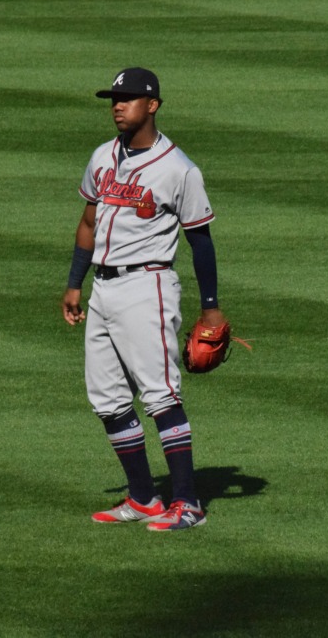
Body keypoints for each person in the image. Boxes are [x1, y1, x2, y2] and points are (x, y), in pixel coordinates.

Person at [61, 67, 227, 531]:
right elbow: (89, 223)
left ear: (152, 105)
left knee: (160, 395)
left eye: (128, 98)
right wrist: (75, 283)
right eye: (114, 98)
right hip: (102, 288)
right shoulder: (102, 157)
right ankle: (143, 498)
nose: (117, 105)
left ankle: (189, 503)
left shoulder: (178, 169)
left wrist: (210, 305)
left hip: (147, 288)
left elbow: (201, 240)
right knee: (107, 399)